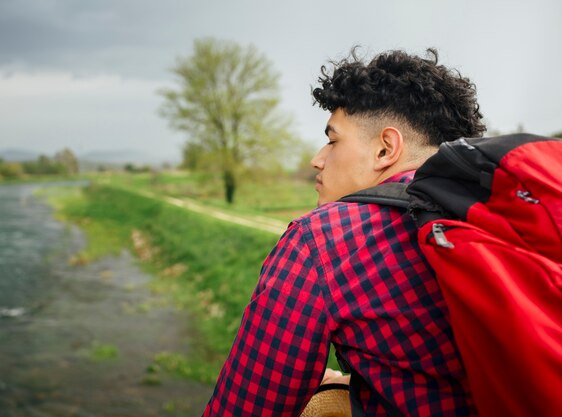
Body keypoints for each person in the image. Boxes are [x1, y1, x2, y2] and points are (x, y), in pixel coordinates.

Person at [202, 47, 486, 417]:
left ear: (386, 149)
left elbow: (244, 409)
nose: (317, 159)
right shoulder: (491, 218)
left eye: (333, 140)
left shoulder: (320, 240)